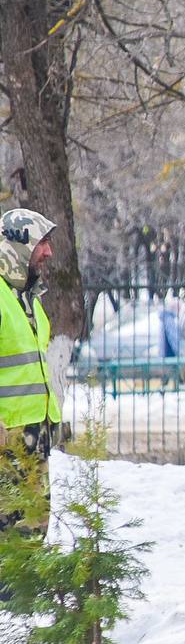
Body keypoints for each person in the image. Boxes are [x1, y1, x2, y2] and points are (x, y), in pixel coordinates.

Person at [0, 208, 62, 542]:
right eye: (42, 243)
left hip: (33, 439)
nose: (48, 252)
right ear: (18, 245)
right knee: (8, 545)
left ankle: (25, 597)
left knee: (31, 538)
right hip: (6, 442)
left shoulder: (27, 300)